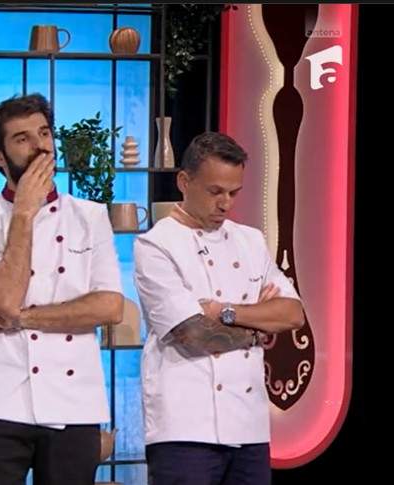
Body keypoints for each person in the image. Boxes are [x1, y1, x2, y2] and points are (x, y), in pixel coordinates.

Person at [0, 93, 125, 485]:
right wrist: (25, 212)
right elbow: (3, 298)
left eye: (44, 133)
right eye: (23, 138)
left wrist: (20, 318)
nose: (41, 146)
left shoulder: (91, 216)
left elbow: (110, 307)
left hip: (74, 403)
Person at [133, 131, 305, 485]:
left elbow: (292, 314)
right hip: (184, 429)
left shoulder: (250, 240)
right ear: (184, 182)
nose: (225, 204)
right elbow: (193, 335)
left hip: (249, 425)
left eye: (233, 193)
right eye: (215, 192)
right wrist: (258, 329)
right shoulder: (156, 245)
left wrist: (226, 312)